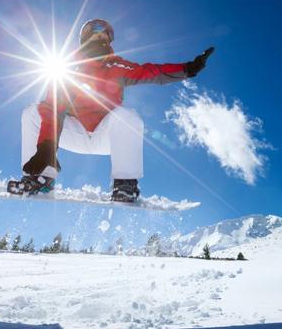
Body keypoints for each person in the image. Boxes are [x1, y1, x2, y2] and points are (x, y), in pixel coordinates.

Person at [12, 19, 214, 202]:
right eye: (95, 36)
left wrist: (187, 68)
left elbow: (151, 71)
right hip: (73, 133)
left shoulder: (116, 65)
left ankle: (125, 185)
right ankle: (42, 178)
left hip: (106, 136)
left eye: (104, 37)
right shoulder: (67, 70)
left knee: (128, 116)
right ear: (84, 40)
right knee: (33, 112)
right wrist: (46, 146)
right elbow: (52, 108)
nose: (100, 40)